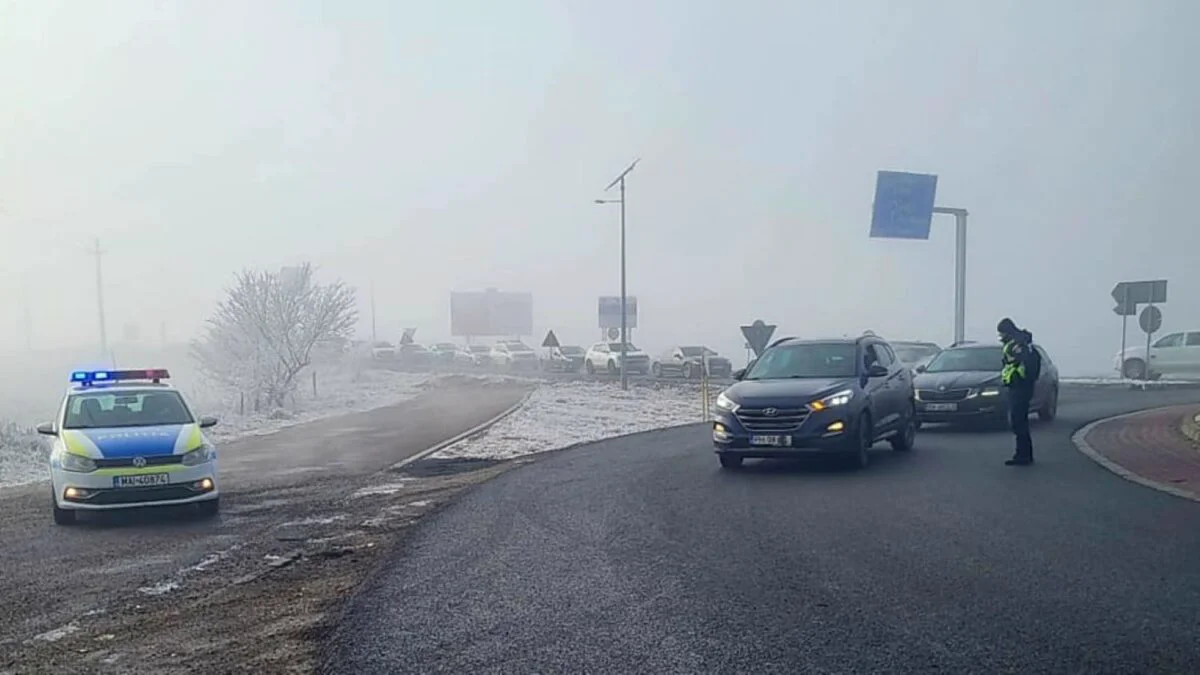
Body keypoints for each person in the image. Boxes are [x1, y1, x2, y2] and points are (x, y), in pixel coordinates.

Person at [998, 317, 1040, 466]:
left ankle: (1023, 456)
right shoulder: (1019, 342)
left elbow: (1020, 363)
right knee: (1018, 421)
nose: (1000, 336)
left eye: (1002, 333)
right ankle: (1022, 454)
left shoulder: (1018, 344)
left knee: (1018, 421)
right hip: (1018, 386)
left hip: (1020, 387)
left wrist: (1017, 377)